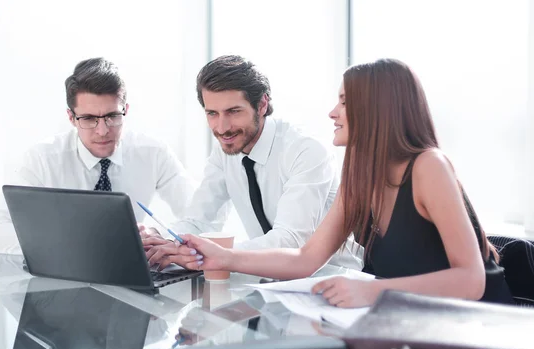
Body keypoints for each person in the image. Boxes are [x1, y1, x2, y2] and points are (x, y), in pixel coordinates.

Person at [156, 58, 514, 307]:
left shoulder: (428, 167)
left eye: (344, 101)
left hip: (478, 334)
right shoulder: (360, 173)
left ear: (377, 109)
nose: (332, 112)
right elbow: (305, 258)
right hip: (411, 322)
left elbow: (471, 280)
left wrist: (374, 293)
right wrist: (224, 257)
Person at [144, 55, 361, 270]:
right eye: (212, 113)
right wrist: (163, 240)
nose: (222, 127)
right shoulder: (225, 152)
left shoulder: (304, 150)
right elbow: (198, 220)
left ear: (262, 104)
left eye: (234, 111)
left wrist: (222, 255)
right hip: (271, 282)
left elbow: (291, 239)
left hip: (334, 277)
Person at [0, 57, 195, 254]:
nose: (102, 131)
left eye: (112, 116)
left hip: (130, 273)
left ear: (126, 110)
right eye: (89, 118)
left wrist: (161, 237)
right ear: (71, 117)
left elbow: (200, 216)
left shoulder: (153, 153)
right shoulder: (42, 160)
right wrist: (66, 242)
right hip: (64, 274)